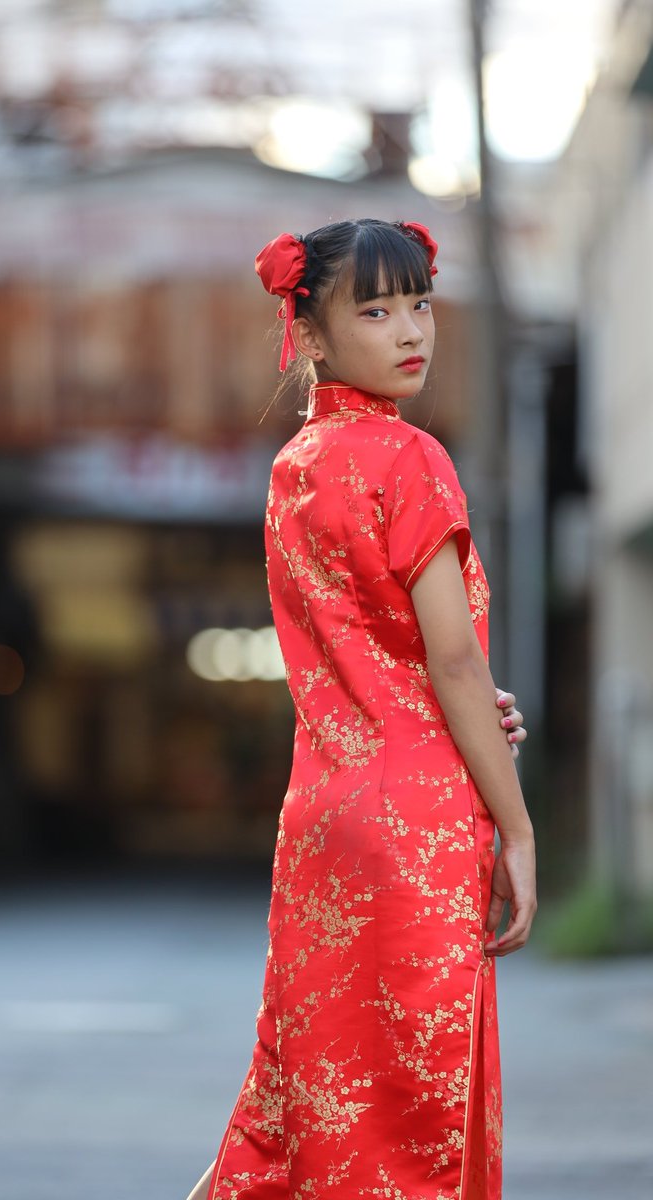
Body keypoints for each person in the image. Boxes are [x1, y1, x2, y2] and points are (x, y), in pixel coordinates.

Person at [187, 219, 536, 1200]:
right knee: (413, 1127)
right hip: (415, 827)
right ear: (309, 334)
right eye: (375, 310)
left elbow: (375, 656)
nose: (410, 329)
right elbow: (453, 660)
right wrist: (515, 827)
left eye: (419, 303)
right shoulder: (409, 458)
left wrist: (461, 710)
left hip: (322, 823)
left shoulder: (293, 468)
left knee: (296, 1106)